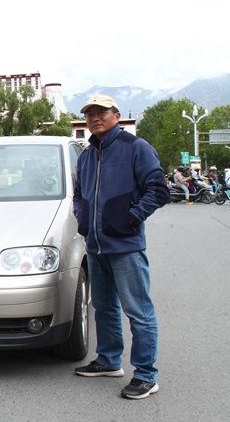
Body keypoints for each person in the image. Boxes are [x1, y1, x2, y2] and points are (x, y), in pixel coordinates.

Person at [73, 95, 170, 400]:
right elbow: (78, 195)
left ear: (116, 115)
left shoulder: (135, 148)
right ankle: (109, 361)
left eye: (101, 112)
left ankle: (145, 375)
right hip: (96, 245)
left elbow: (158, 190)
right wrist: (83, 219)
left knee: (138, 311)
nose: (95, 117)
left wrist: (132, 217)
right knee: (104, 307)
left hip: (125, 245)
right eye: (89, 114)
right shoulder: (87, 155)